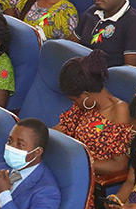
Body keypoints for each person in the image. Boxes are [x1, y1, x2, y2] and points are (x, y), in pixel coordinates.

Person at [56, 49, 131, 177]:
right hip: (72, 167)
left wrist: (78, 162)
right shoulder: (85, 107)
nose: (74, 104)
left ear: (85, 96)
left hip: (90, 177)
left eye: (74, 100)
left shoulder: (119, 110)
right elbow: (62, 129)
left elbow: (119, 165)